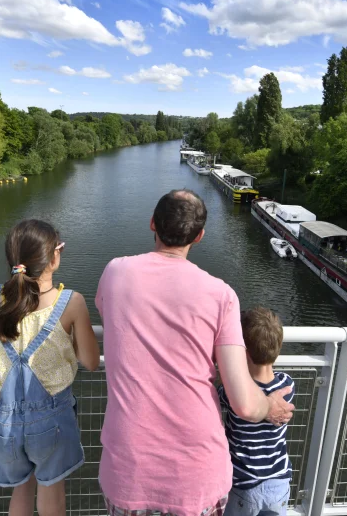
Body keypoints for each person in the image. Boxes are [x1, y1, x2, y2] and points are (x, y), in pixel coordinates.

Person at [95, 190, 294, 516]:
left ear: (152, 224)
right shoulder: (221, 296)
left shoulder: (115, 273)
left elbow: (111, 316)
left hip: (129, 467)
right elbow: (244, 403)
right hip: (196, 472)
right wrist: (269, 404)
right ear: (199, 236)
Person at [0, 219, 100, 516]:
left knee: (22, 487)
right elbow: (91, 362)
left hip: (4, 421)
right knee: (51, 489)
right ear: (54, 256)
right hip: (52, 419)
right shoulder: (70, 302)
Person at [218, 308, 294, 516]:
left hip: (245, 484)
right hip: (279, 483)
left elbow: (219, 396)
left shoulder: (233, 393)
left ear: (243, 353)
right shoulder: (287, 385)